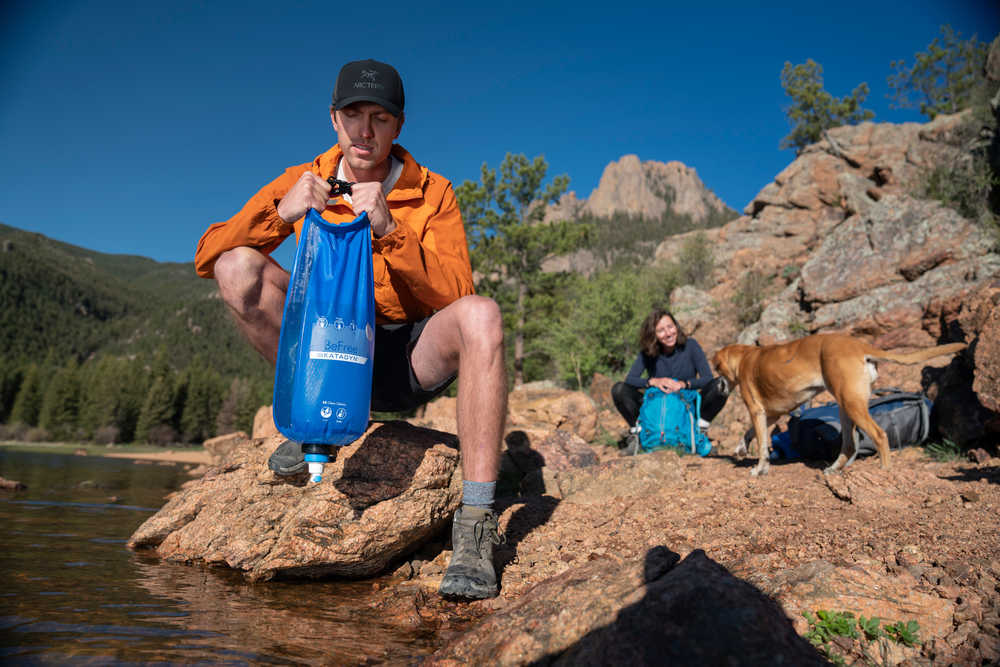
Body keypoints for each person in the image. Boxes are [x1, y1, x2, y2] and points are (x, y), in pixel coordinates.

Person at [194, 59, 505, 600]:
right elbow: (208, 256)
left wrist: (390, 229)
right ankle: (311, 421)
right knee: (236, 268)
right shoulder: (305, 177)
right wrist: (280, 214)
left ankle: (475, 525)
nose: (365, 131)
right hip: (327, 356)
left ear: (398, 126)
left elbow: (457, 290)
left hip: (408, 354)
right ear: (333, 119)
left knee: (482, 313)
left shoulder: (434, 193)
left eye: (380, 118)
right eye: (353, 115)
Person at [611, 308, 728, 452]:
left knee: (721, 385)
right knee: (619, 390)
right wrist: (653, 382)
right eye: (661, 330)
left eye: (670, 327)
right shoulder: (648, 352)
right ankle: (639, 434)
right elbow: (631, 379)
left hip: (687, 404)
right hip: (657, 405)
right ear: (653, 335)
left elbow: (707, 379)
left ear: (676, 326)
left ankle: (699, 431)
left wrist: (684, 384)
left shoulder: (691, 345)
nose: (668, 333)